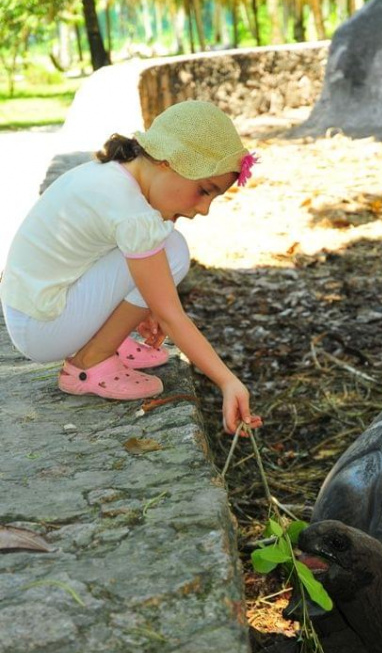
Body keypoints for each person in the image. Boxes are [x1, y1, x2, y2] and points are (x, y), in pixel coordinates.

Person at [0, 100, 262, 435]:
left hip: (33, 308)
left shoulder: (112, 175)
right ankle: (89, 363)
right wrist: (228, 381)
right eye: (204, 191)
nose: (204, 209)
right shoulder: (131, 213)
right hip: (41, 329)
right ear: (169, 161)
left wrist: (140, 306)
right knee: (173, 252)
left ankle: (106, 337)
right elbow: (171, 314)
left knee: (168, 243)